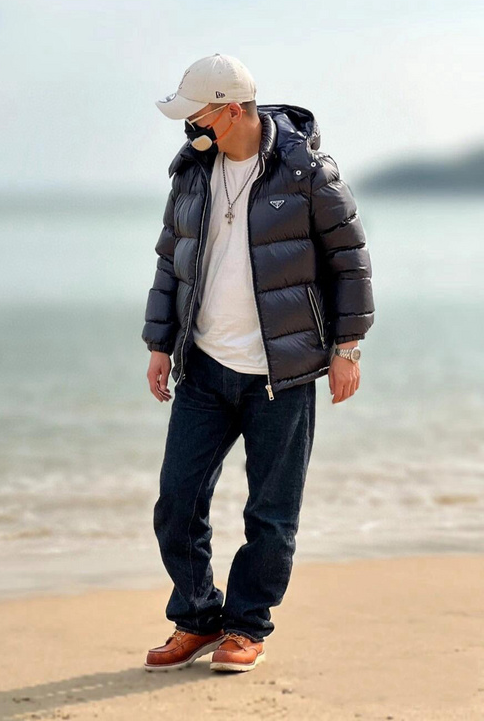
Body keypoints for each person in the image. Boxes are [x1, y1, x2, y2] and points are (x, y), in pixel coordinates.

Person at [141, 53, 375, 673]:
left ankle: (247, 627)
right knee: (176, 503)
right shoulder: (193, 170)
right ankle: (197, 617)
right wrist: (161, 344)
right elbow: (170, 261)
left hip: (281, 375)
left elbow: (350, 263)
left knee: (270, 515)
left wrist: (347, 348)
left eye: (196, 115)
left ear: (229, 111)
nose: (189, 127)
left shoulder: (308, 173)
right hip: (204, 368)